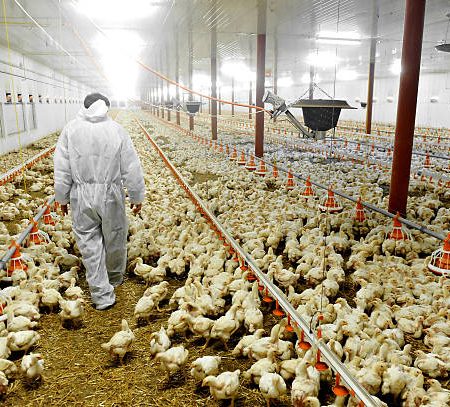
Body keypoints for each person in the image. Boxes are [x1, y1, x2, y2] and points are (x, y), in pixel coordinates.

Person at [54, 93, 145, 310]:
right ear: (106, 107)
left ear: (84, 107)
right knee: (115, 237)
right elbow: (131, 165)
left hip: (81, 193)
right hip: (111, 194)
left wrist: (62, 196)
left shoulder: (71, 129)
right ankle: (114, 278)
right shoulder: (116, 130)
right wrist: (136, 194)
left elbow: (62, 167)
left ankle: (101, 295)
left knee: (88, 243)